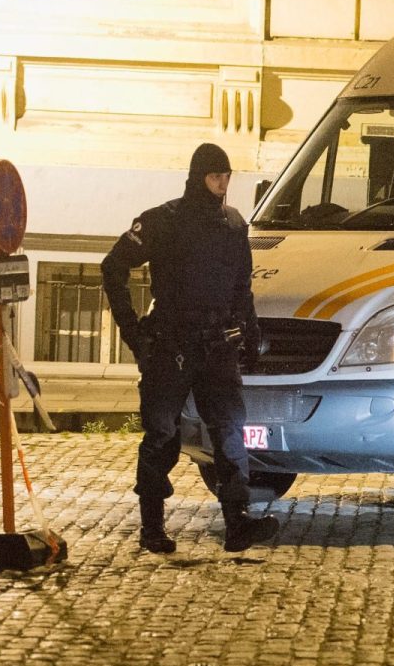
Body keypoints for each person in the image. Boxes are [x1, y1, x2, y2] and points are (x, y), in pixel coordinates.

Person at [102, 143, 280, 555]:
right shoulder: (163, 221)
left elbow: (241, 286)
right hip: (170, 344)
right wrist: (133, 332)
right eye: (214, 176)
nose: (221, 184)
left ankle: (238, 523)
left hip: (217, 344)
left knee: (231, 435)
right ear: (198, 176)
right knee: (163, 434)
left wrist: (250, 333)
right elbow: (113, 267)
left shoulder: (234, 225)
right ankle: (152, 528)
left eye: (226, 177)